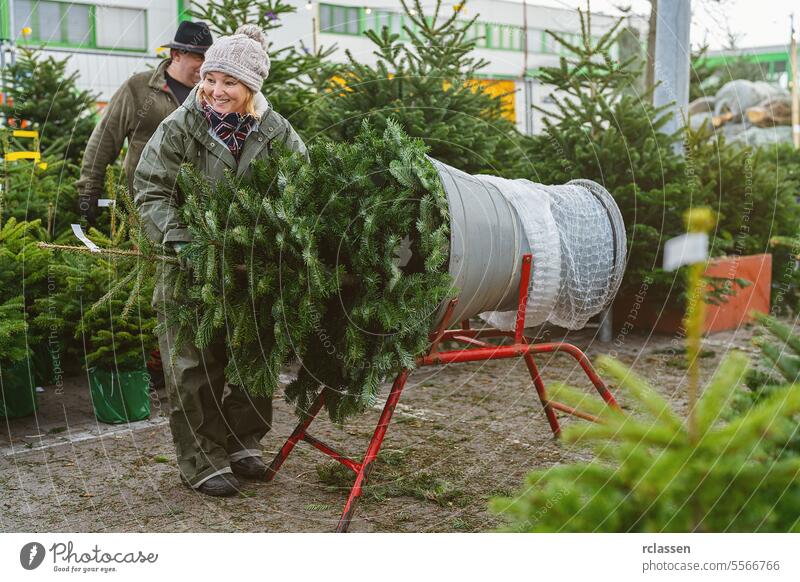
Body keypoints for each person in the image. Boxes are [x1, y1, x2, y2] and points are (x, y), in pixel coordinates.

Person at [133, 24, 307, 497]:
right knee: (192, 363)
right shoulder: (180, 126)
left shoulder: (277, 132)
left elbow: (302, 191)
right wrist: (184, 243)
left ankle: (241, 440)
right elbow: (151, 190)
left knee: (256, 354)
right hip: (187, 264)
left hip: (253, 268)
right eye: (210, 79)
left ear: (251, 87)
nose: (214, 91)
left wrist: (278, 240)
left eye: (228, 82)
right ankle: (201, 458)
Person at [77, 21, 213, 224]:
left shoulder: (212, 94)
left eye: (208, 58)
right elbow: (104, 139)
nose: (204, 66)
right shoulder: (138, 89)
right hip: (143, 209)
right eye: (198, 57)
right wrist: (88, 192)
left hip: (200, 215)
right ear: (176, 54)